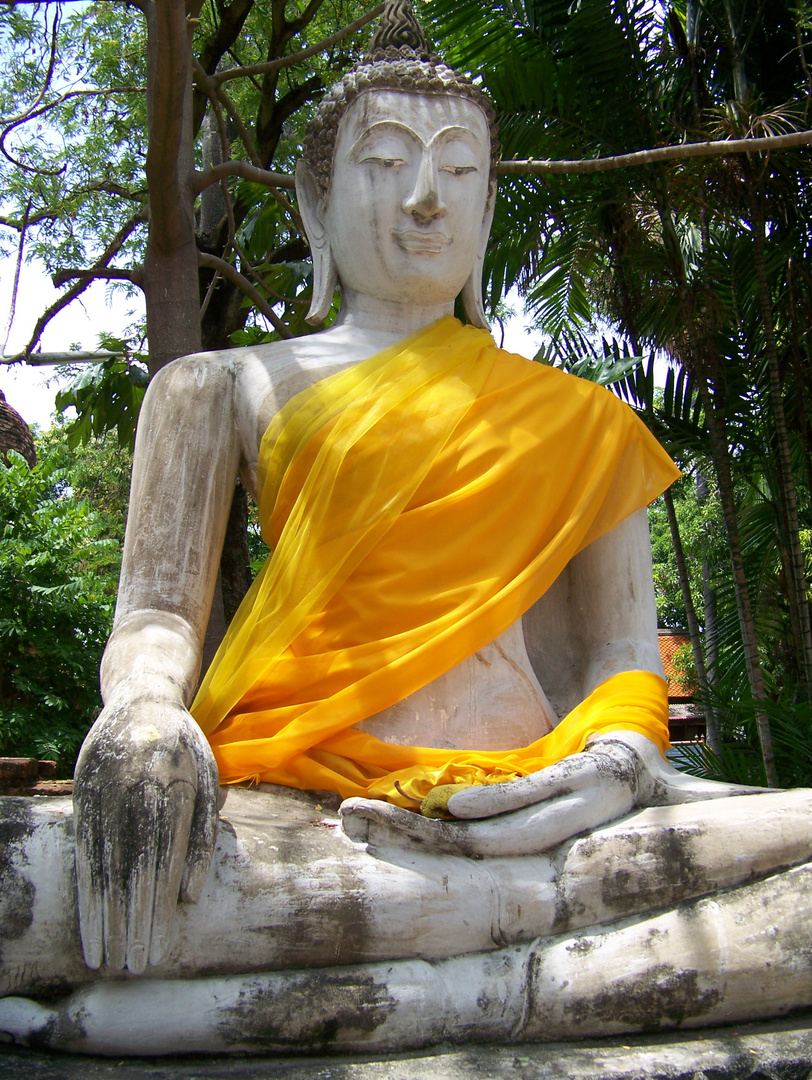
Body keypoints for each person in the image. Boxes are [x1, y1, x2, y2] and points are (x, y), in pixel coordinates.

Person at [2, 2, 810, 1056]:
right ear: (314, 198)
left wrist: (611, 759)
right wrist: (148, 717)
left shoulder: (577, 418)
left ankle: (397, 1000)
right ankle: (516, 976)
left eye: (460, 170)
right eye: (385, 163)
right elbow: (156, 609)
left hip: (539, 808)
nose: (426, 199)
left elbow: (621, 657)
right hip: (295, 807)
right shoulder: (221, 384)